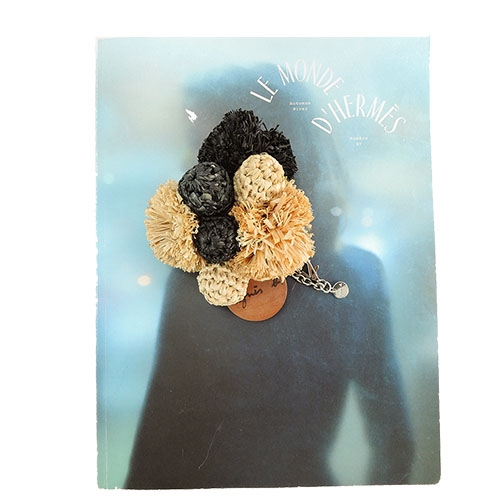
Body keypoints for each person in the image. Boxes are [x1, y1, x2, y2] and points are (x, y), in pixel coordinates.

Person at [125, 66, 414, 488]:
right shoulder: (357, 278)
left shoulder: (199, 284)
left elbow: (156, 448)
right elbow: (395, 446)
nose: (195, 179)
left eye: (207, 156)